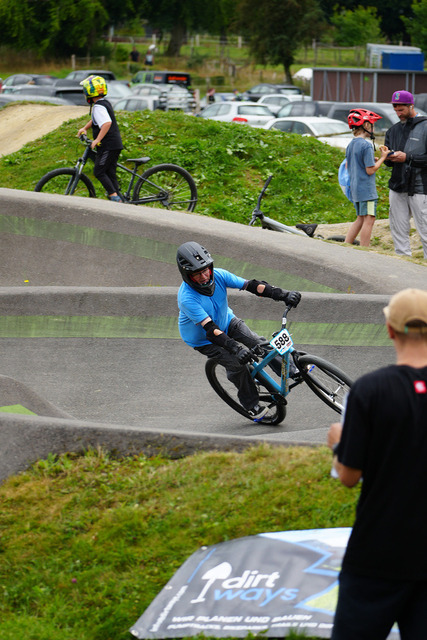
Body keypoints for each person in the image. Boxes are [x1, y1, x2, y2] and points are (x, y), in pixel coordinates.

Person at [327, 287, 427, 639]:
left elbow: (349, 476)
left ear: (390, 330)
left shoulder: (369, 390)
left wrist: (338, 443)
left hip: (378, 553)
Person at [176, 241, 301, 420]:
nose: (204, 277)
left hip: (227, 321)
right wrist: (236, 348)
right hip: (204, 339)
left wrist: (283, 295)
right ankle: (251, 405)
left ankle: (291, 371)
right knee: (237, 364)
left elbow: (252, 286)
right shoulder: (186, 298)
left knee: (258, 342)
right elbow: (211, 330)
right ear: (187, 275)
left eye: (206, 270)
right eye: (197, 274)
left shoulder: (219, 275)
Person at [384, 90, 427, 259]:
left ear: (411, 106)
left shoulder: (425, 126)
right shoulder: (392, 130)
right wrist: (386, 158)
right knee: (398, 230)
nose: (398, 113)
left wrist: (407, 158)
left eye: (401, 109)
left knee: (425, 230)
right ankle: (403, 265)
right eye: (395, 109)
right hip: (397, 186)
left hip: (420, 188)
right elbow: (389, 162)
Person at [344, 108, 389, 247]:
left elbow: (349, 165)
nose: (373, 129)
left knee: (360, 218)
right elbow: (370, 171)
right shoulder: (366, 145)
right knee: (369, 219)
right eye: (372, 125)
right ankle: (365, 250)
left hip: (355, 189)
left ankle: (346, 244)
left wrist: (370, 160)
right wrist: (383, 158)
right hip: (367, 191)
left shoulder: (351, 144)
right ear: (366, 125)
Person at [77, 75, 123, 203]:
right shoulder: (103, 103)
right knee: (109, 173)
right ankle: (120, 199)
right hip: (114, 144)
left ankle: (114, 197)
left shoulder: (98, 107)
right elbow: (97, 119)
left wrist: (97, 140)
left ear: (90, 91)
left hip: (108, 145)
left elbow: (106, 123)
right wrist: (85, 128)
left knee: (99, 171)